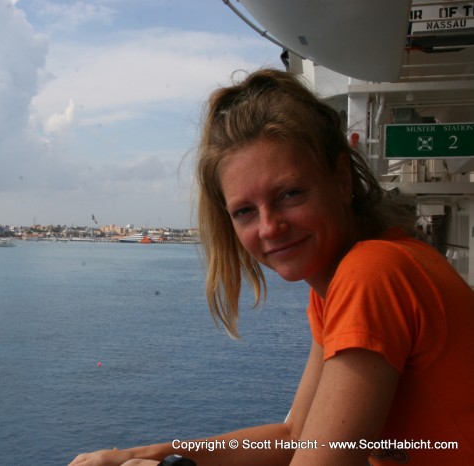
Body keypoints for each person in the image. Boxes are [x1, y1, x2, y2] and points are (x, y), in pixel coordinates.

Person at [69, 69, 474, 466]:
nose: (269, 227)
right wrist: (149, 454)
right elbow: (295, 435)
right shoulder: (337, 288)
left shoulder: (372, 272)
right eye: (245, 211)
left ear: (342, 179)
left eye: (291, 194)